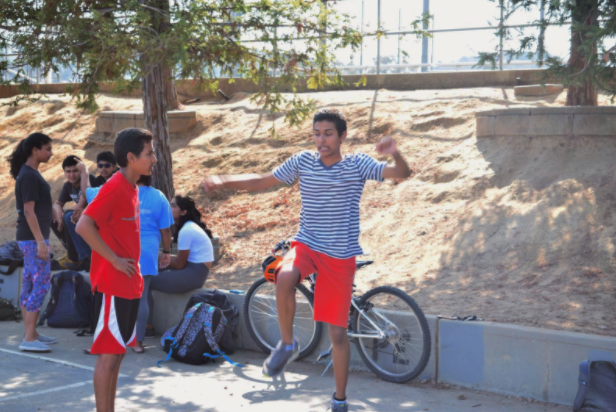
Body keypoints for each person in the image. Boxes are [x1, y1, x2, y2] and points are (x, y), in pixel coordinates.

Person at [202, 108, 412, 412]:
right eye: (316, 133)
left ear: (342, 136)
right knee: (284, 277)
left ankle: (339, 398)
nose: (321, 140)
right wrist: (224, 180)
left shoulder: (357, 164)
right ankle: (287, 344)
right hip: (308, 245)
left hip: (339, 257)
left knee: (337, 334)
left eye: (328, 133)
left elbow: (401, 172)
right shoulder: (303, 161)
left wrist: (395, 153)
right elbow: (263, 181)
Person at [76, 128, 156, 412]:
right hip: (112, 285)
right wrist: (113, 260)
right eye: (149, 153)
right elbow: (83, 226)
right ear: (132, 157)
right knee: (108, 357)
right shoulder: (113, 186)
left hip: (130, 285)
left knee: (118, 354)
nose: (154, 159)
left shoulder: (133, 187)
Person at [8, 132, 57, 352]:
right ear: (35, 150)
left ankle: (32, 332)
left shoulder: (30, 174)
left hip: (30, 237)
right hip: (32, 237)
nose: (51, 153)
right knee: (41, 283)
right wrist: (41, 242)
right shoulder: (28, 176)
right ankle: (28, 338)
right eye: (47, 148)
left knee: (30, 282)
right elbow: (28, 211)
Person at [144, 195, 214, 338]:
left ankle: (147, 327)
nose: (170, 208)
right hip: (193, 269)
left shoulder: (187, 230)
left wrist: (157, 255)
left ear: (183, 211)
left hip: (194, 274)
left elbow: (179, 264)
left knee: (146, 281)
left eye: (173, 206)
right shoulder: (187, 228)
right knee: (149, 269)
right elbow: (180, 261)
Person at [133, 174, 173, 353]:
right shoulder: (158, 196)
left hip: (123, 249)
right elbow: (165, 230)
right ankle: (138, 343)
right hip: (148, 251)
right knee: (142, 297)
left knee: (121, 297)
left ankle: (117, 338)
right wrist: (166, 252)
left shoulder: (122, 192)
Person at [50, 155, 97, 270]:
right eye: (68, 172)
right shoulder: (68, 186)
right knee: (53, 217)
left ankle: (87, 258)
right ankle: (73, 254)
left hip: (95, 217)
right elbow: (57, 204)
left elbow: (88, 201)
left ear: (81, 170)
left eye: (75, 171)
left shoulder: (88, 179)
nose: (71, 175)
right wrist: (58, 210)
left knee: (68, 216)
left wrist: (65, 213)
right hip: (80, 217)